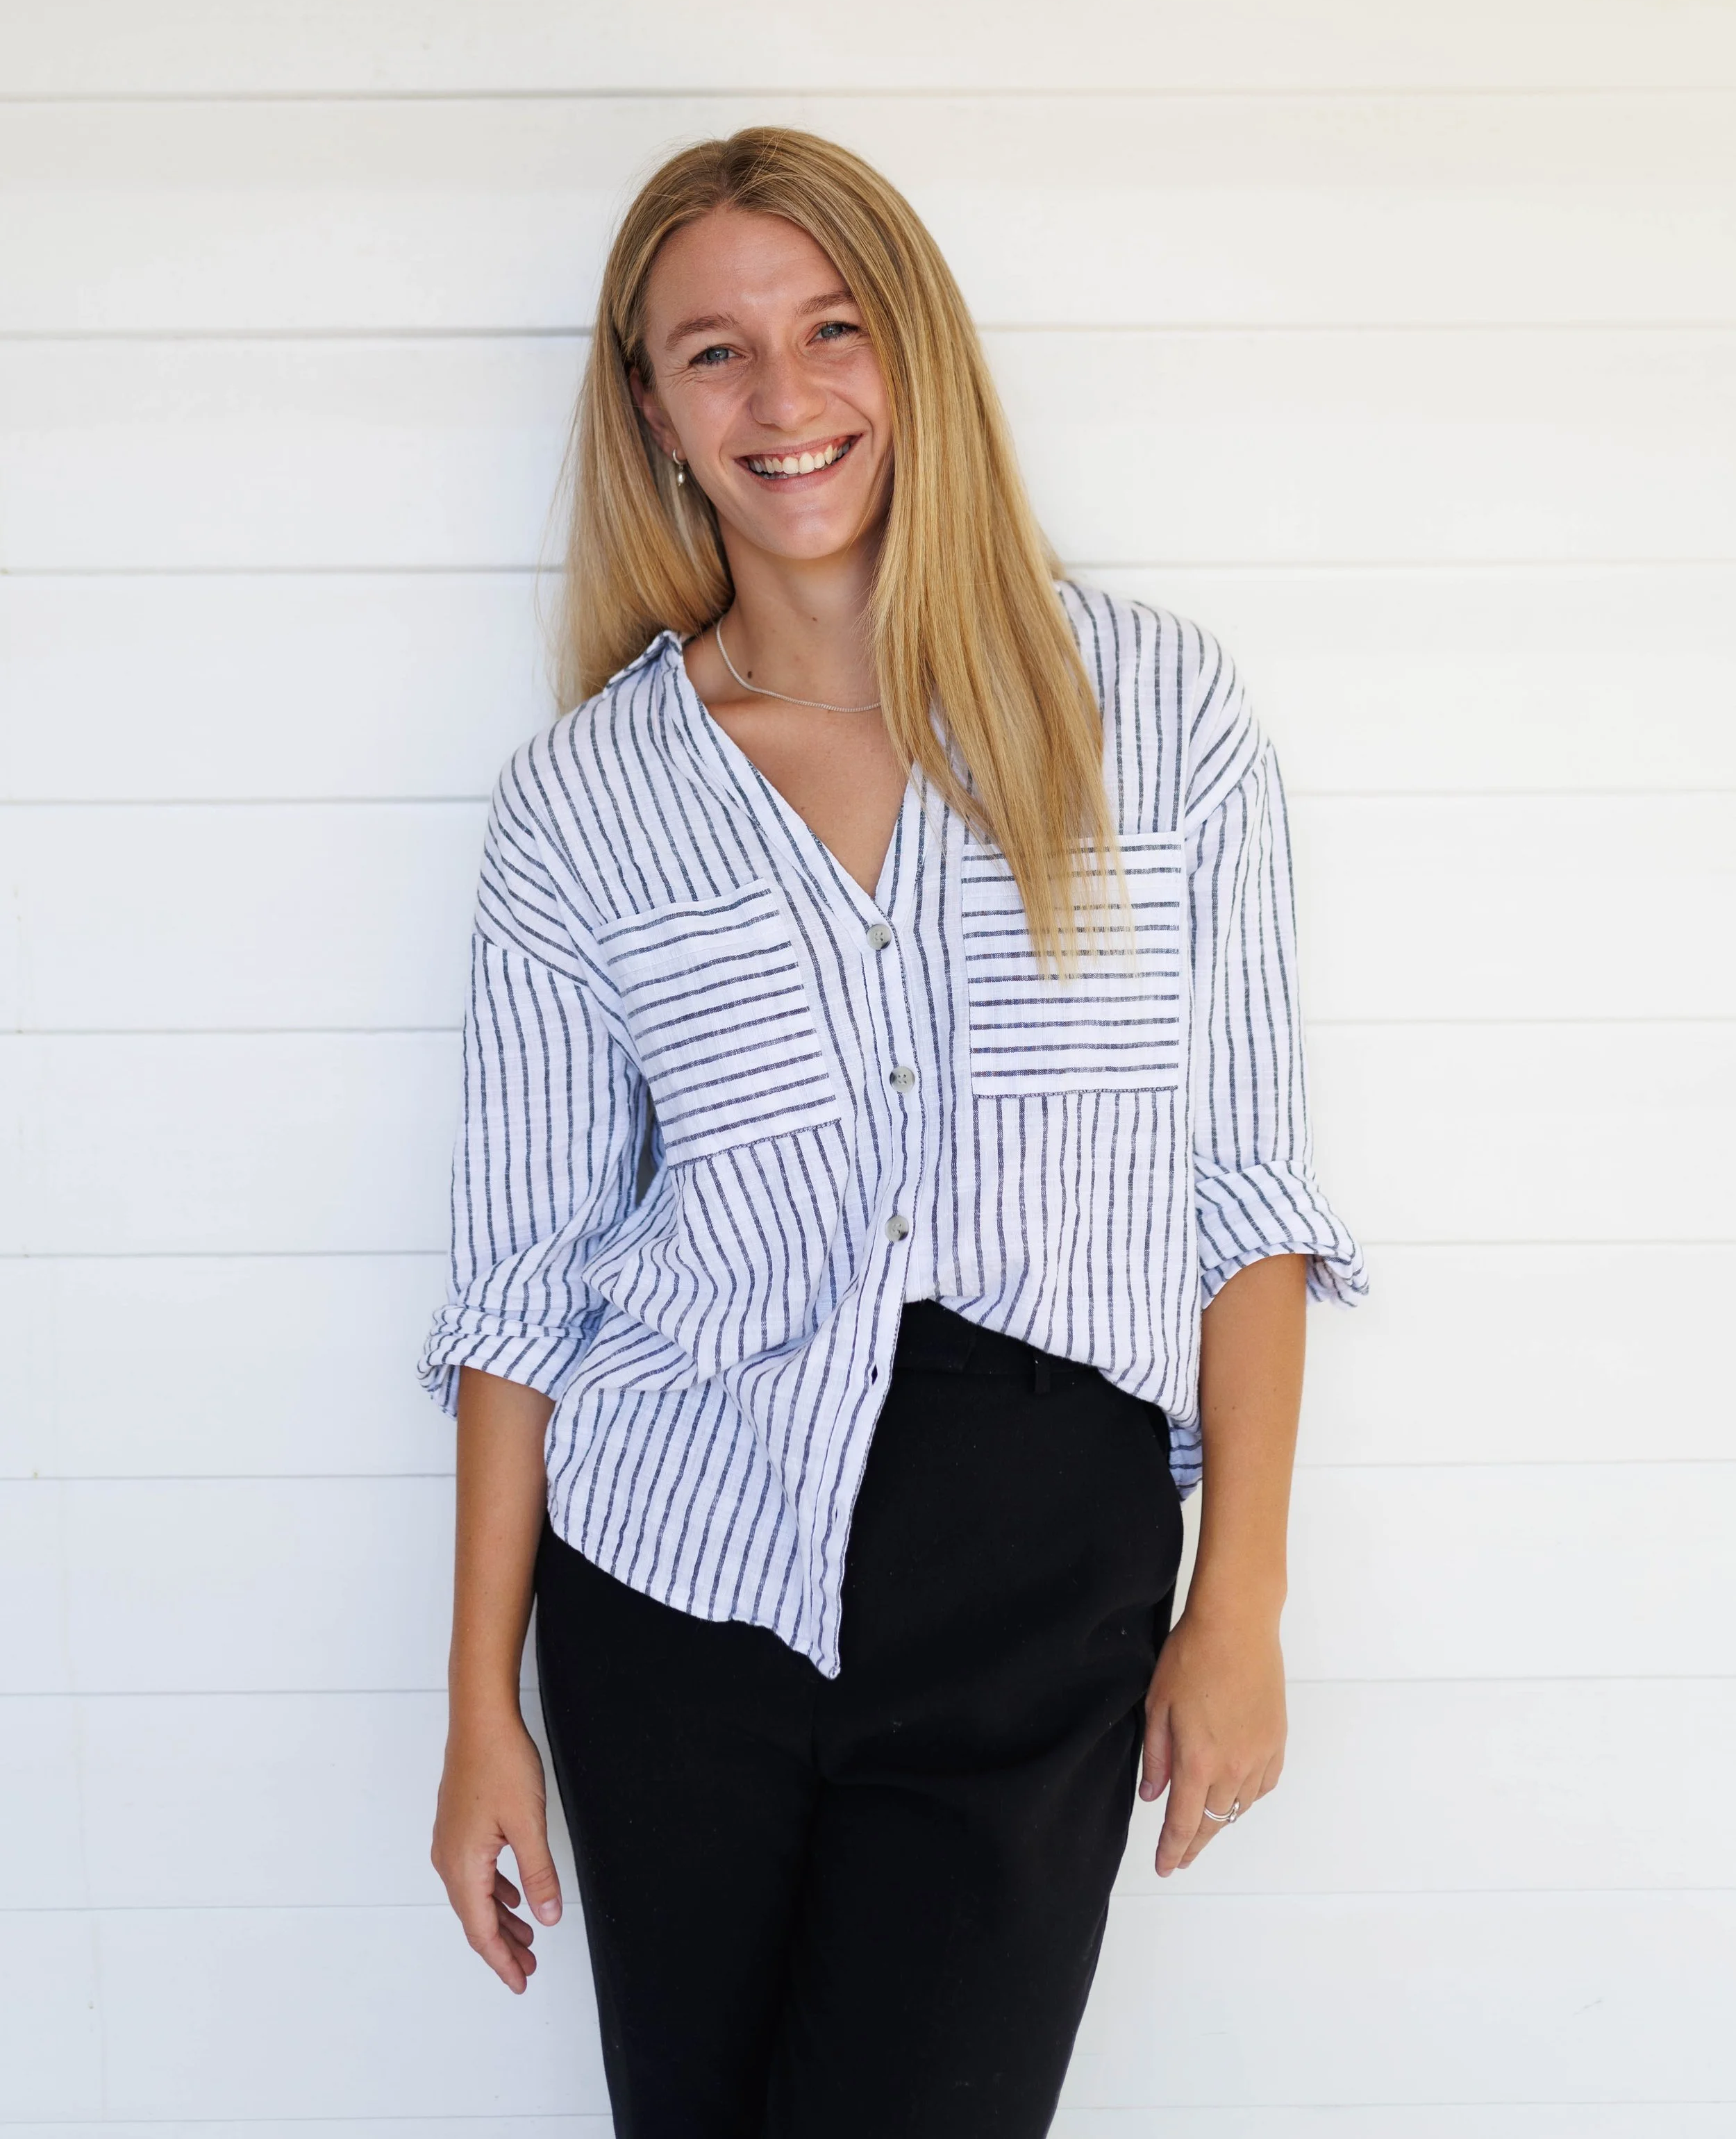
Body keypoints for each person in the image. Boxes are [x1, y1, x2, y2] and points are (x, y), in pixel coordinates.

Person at [421, 127, 1363, 2138]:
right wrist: (474, 1707)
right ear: (652, 412)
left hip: (1036, 1574)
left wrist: (1241, 1607)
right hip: (678, 1579)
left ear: (913, 355)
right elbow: (523, 1279)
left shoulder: (1149, 712)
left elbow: (1244, 1194)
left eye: (832, 330)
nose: (784, 399)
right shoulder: (586, 805)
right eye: (715, 354)